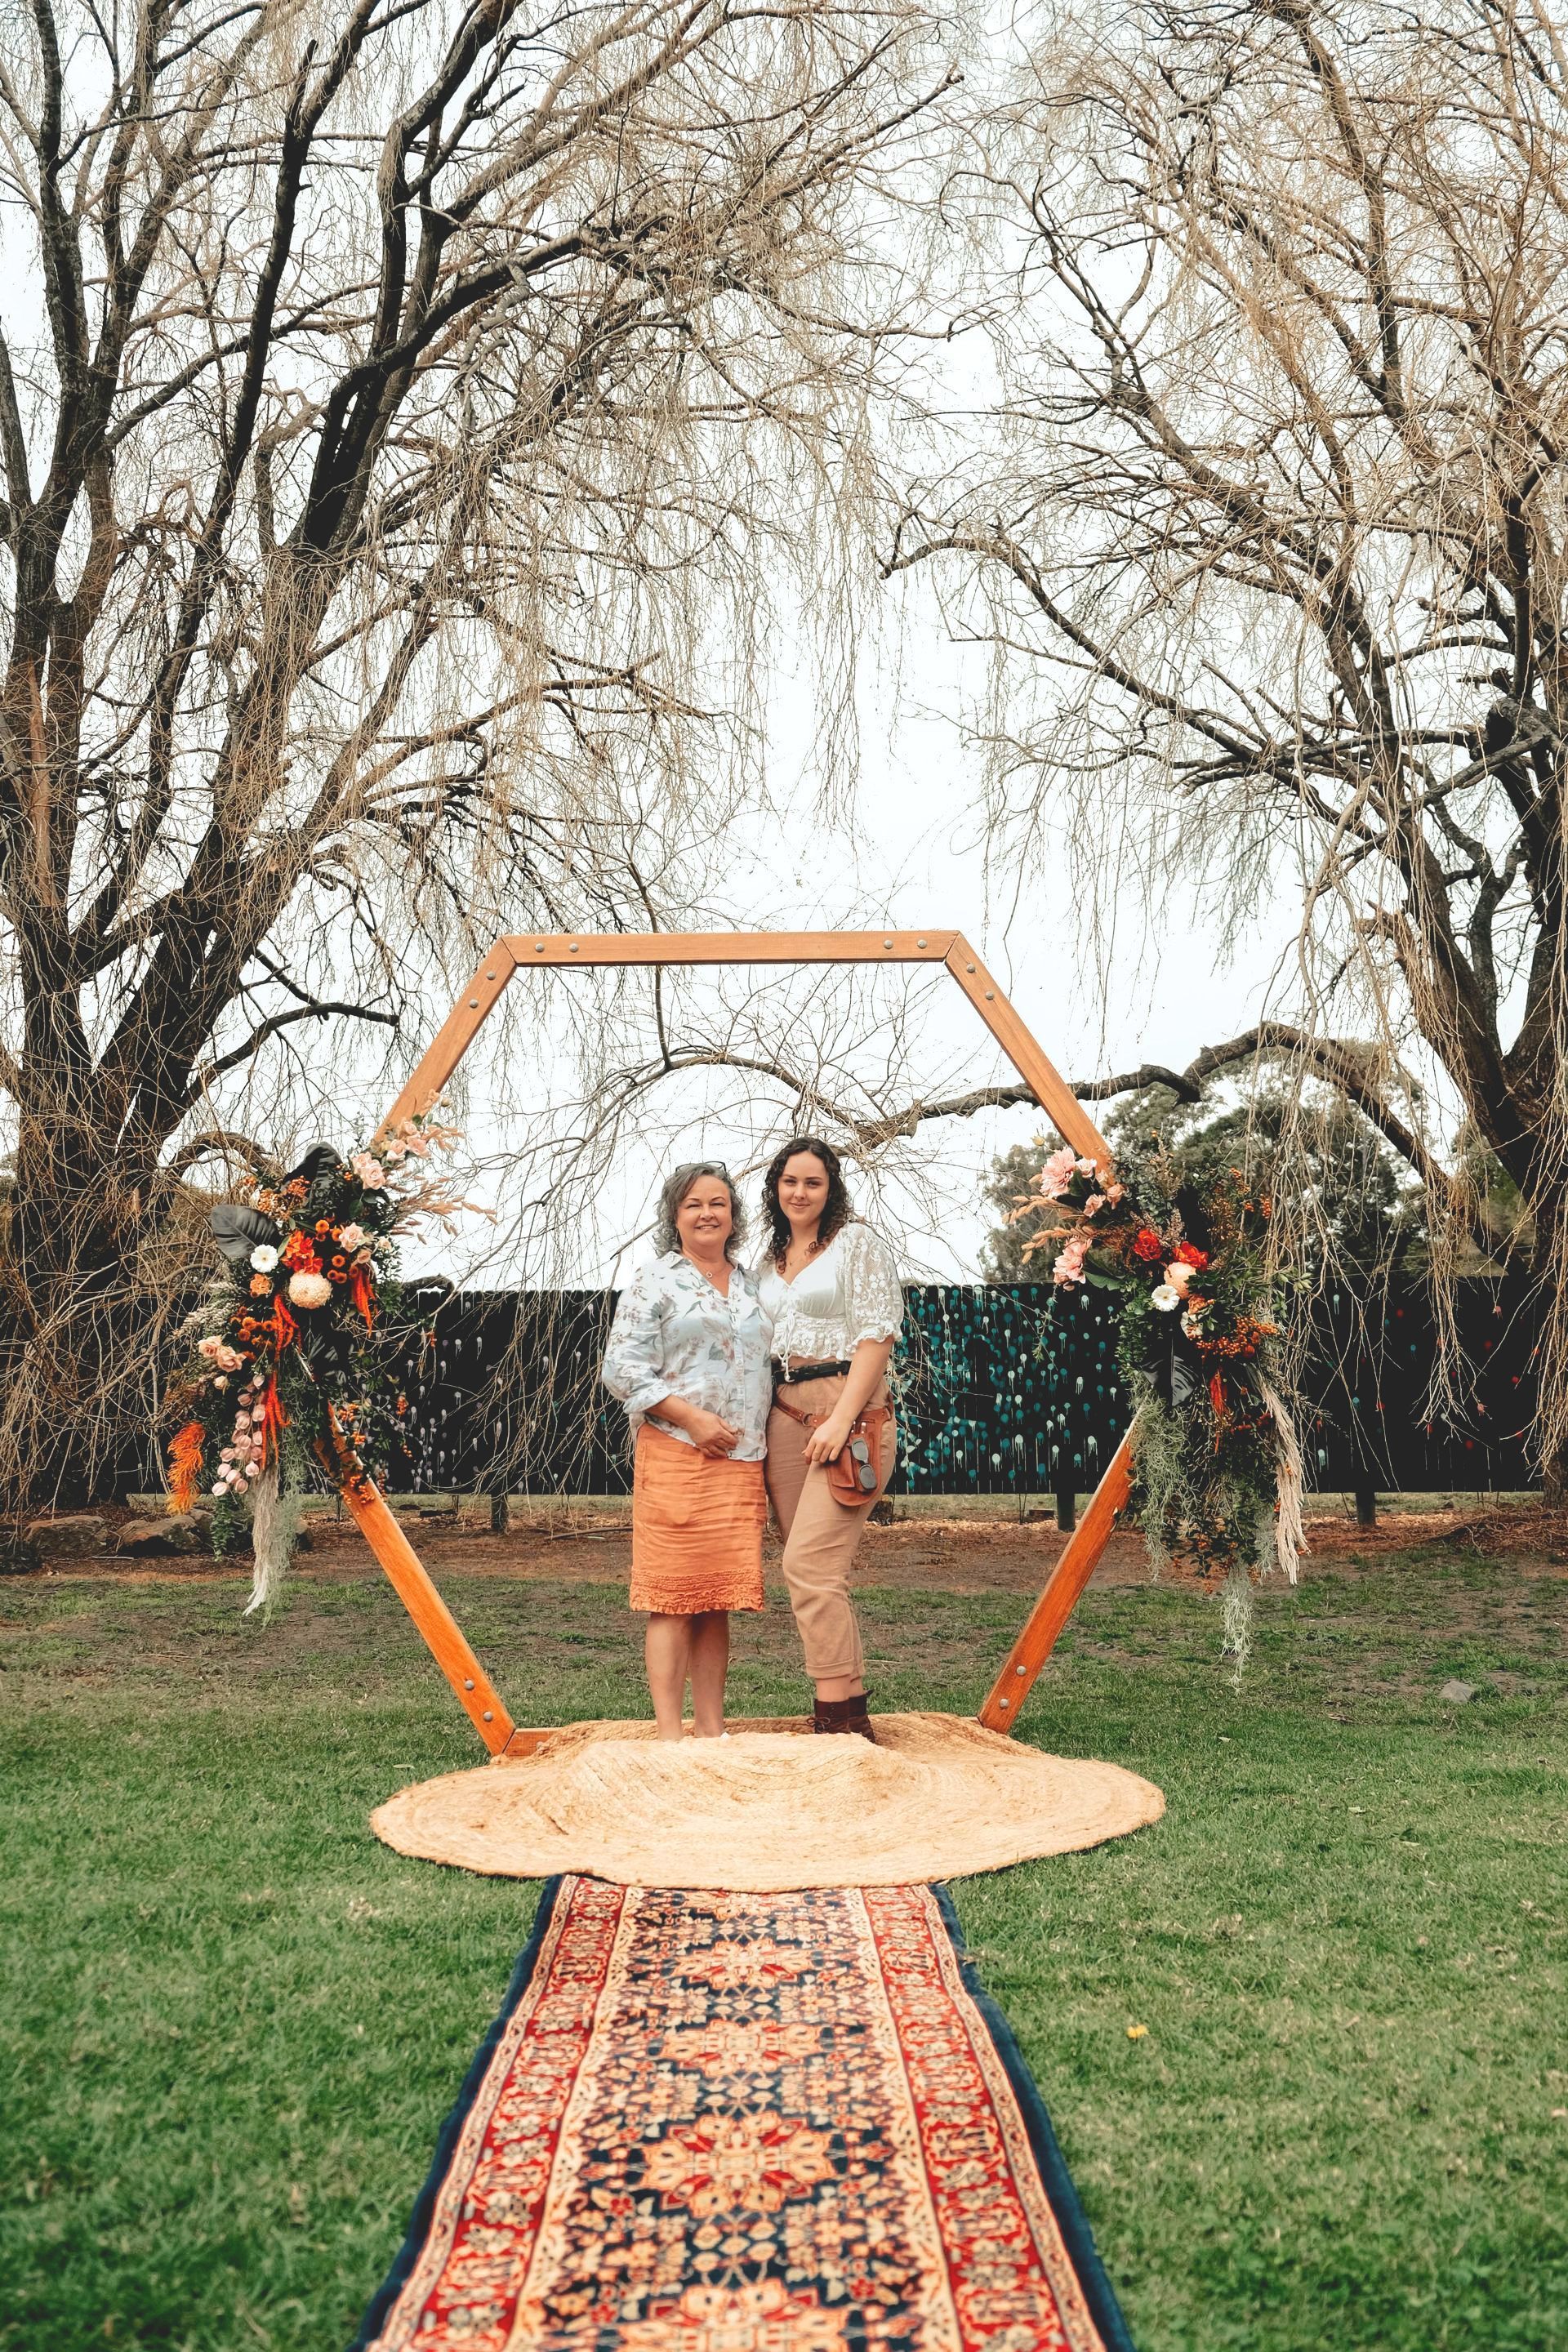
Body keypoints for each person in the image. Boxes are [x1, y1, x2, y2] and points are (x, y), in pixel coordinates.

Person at [601, 1161, 771, 1740]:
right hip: (676, 1453)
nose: (707, 1213)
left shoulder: (753, 1285)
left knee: (716, 1598)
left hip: (742, 1462)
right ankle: (670, 1736)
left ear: (734, 1215)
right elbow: (620, 1369)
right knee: (672, 1599)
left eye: (718, 1203)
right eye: (695, 1204)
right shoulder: (655, 1281)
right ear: (675, 1216)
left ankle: (712, 1731)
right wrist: (693, 1418)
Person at [754, 1135, 902, 1740]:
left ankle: (835, 1722)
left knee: (809, 1565)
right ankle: (852, 1706)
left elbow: (877, 1334)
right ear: (776, 1187)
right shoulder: (767, 1259)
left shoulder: (856, 1244)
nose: (800, 1192)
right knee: (815, 1571)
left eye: (813, 1182)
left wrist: (843, 1418)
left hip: (850, 1414)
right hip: (783, 1417)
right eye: (790, 1181)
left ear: (831, 1188)